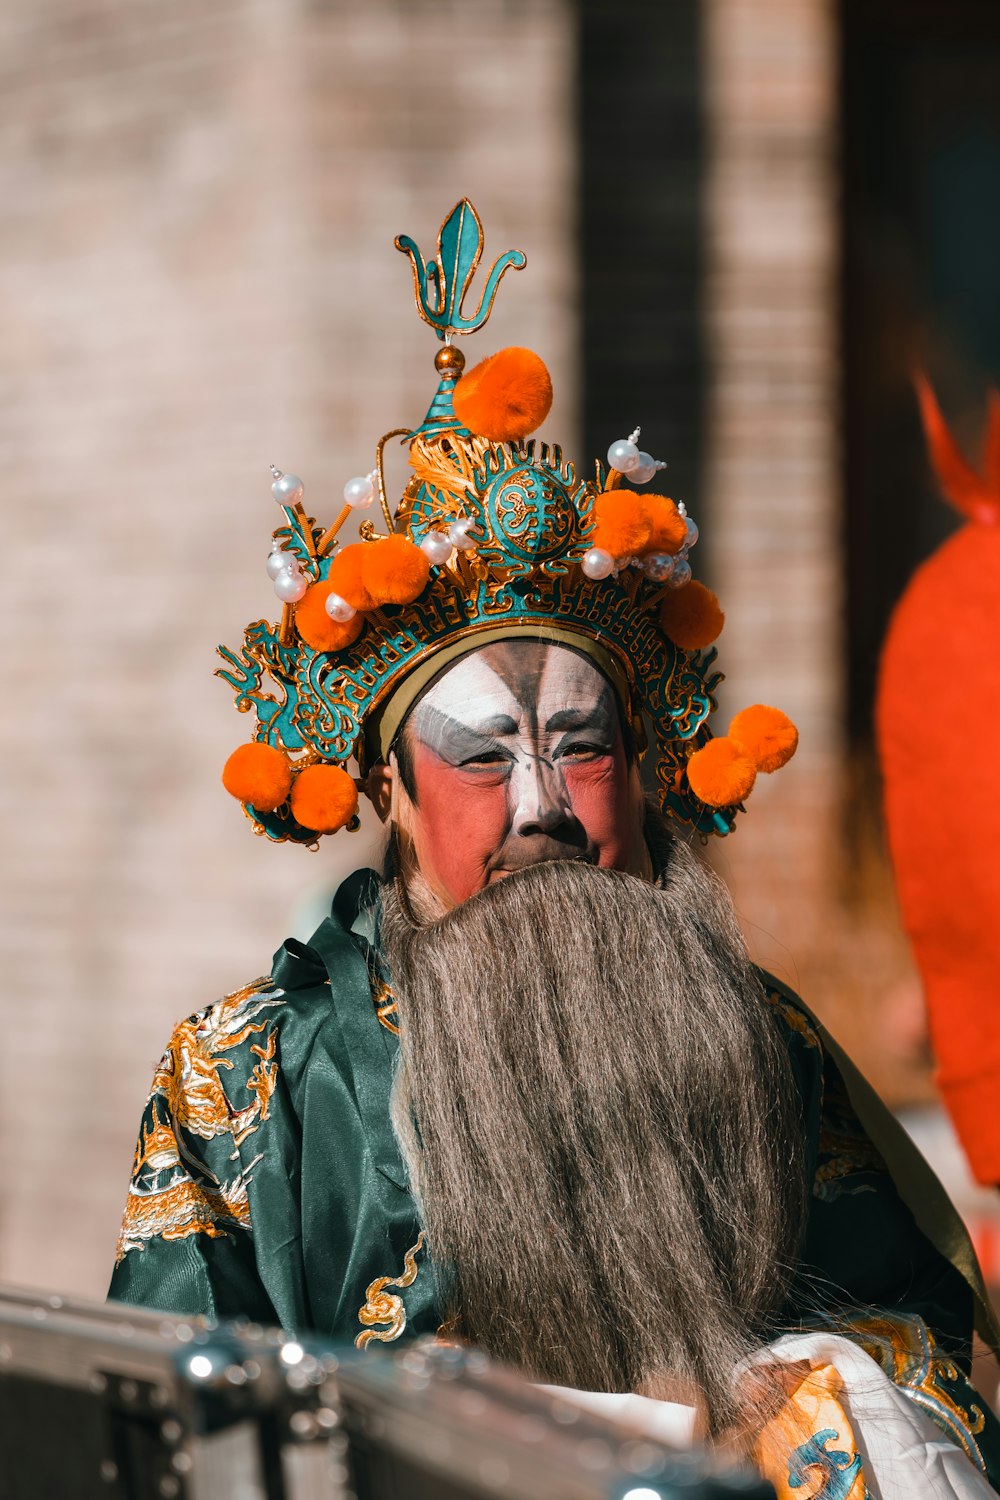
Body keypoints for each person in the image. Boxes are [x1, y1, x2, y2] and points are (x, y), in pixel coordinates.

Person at [110, 202, 1000, 1496]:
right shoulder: (250, 1085)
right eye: (480, 757)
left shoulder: (754, 1036)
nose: (544, 804)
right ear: (388, 795)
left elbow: (908, 1333)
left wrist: (803, 1400)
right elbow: (170, 1416)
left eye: (584, 748)